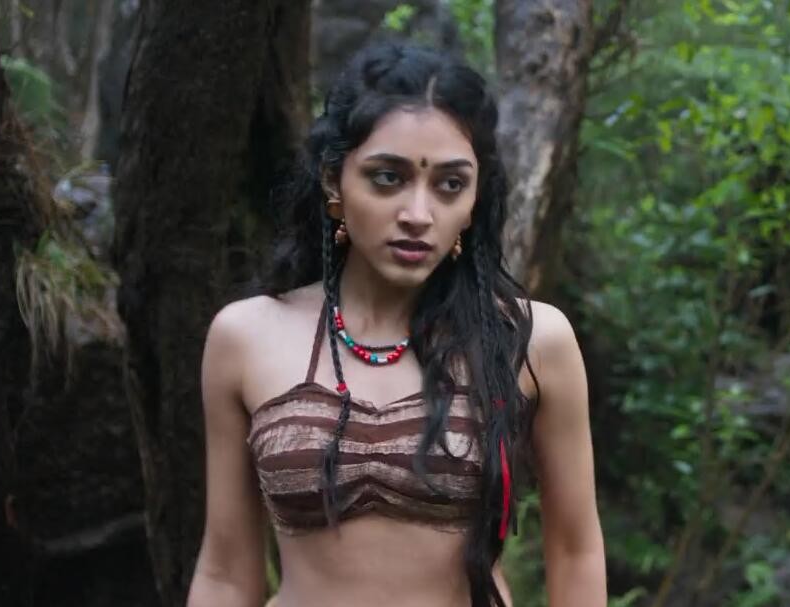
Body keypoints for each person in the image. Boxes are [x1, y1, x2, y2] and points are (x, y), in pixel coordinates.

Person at [186, 42, 606, 607]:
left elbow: (576, 552)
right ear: (333, 182)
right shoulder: (245, 337)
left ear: (476, 198)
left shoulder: (529, 341)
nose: (418, 215)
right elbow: (226, 573)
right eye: (388, 178)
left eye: (450, 185)